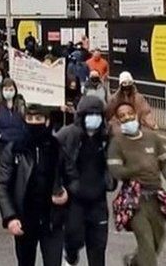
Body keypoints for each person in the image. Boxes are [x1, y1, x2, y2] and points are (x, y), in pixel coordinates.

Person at [108, 103, 166, 266]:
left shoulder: (152, 138)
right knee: (146, 244)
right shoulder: (117, 142)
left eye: (129, 113)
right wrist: (135, 169)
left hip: (156, 197)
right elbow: (115, 171)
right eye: (122, 116)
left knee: (159, 236)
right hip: (134, 200)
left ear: (136, 114)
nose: (127, 117)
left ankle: (133, 262)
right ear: (118, 120)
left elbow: (165, 163)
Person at [0, 103, 66, 266]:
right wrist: (10, 217)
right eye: (30, 118)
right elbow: (2, 184)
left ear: (47, 121)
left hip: (52, 221)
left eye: (38, 118)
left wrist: (66, 192)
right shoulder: (14, 149)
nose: (34, 122)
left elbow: (71, 176)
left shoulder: (57, 147)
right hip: (25, 220)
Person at [56, 96, 112, 266]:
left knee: (98, 246)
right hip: (75, 199)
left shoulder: (107, 137)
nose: (94, 117)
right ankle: (71, 256)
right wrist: (57, 188)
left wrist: (111, 180)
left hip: (98, 199)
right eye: (90, 114)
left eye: (97, 114)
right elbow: (53, 163)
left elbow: (119, 160)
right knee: (74, 238)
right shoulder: (67, 135)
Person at [0, 79, 28, 160]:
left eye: (11, 89)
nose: (8, 92)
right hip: (2, 145)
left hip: (19, 144)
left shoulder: (21, 105)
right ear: (2, 90)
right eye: (6, 89)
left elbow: (26, 123)